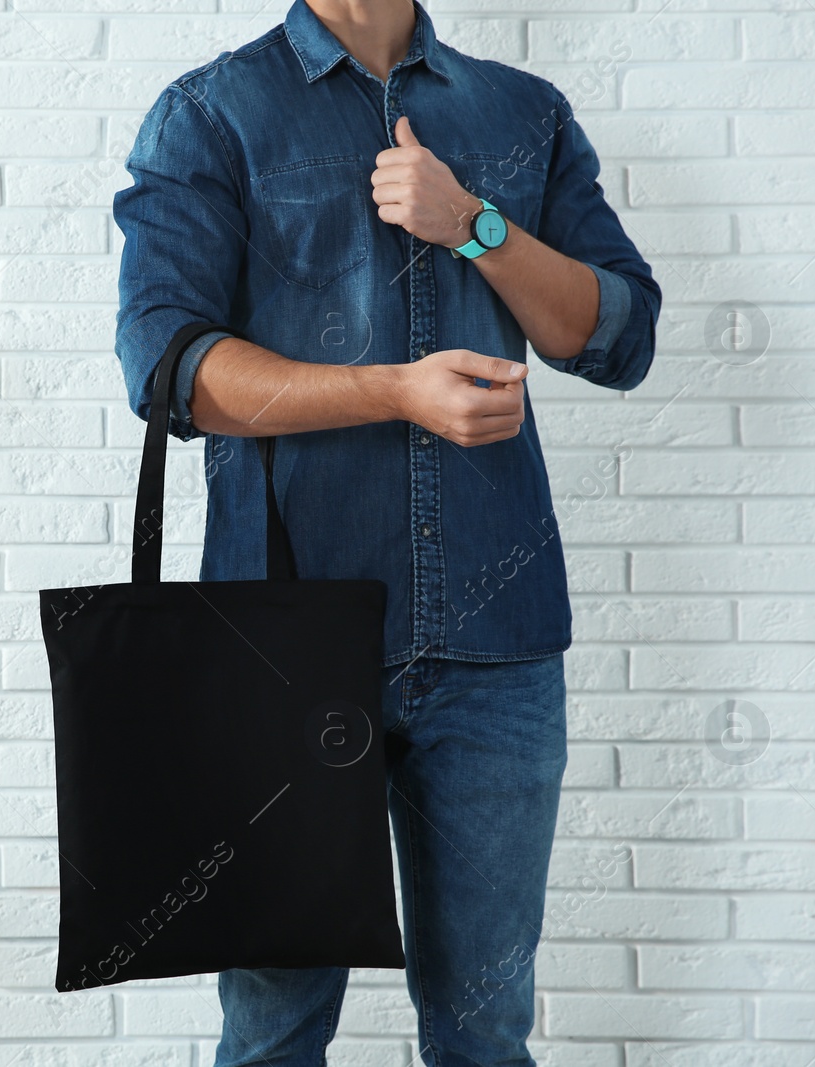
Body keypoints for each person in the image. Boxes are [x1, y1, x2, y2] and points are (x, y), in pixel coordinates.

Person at [110, 0, 661, 1064]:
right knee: (273, 1030)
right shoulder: (210, 114)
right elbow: (169, 366)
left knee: (485, 1031)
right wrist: (395, 391)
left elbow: (614, 335)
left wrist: (476, 224)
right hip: (281, 648)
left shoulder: (520, 112)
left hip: (495, 645)